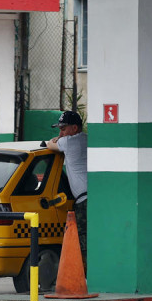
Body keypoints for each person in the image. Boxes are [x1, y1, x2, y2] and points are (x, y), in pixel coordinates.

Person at [46, 110, 87, 272]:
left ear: (75, 128)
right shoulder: (86, 139)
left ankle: (87, 276)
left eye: (63, 128)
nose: (60, 133)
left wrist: (55, 140)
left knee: (83, 240)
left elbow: (49, 145)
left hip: (84, 200)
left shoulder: (70, 142)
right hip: (93, 196)